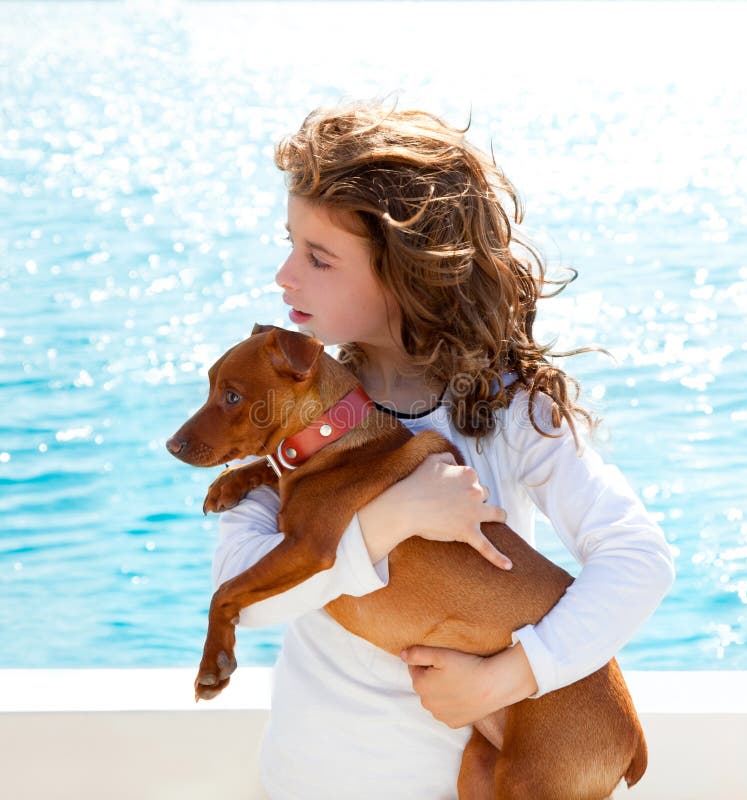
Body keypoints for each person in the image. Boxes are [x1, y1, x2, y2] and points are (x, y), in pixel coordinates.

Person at [212, 103, 674, 798]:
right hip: (311, 781)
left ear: (406, 272)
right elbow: (243, 598)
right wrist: (395, 518)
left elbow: (639, 560)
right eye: (290, 245)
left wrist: (509, 677)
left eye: (318, 257)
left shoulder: (510, 411)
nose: (284, 275)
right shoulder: (285, 404)